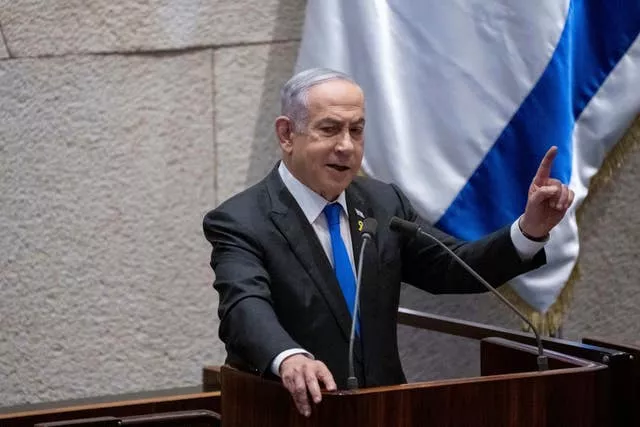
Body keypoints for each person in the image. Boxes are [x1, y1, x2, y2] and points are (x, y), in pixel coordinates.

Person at [203, 68, 574, 417]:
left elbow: (454, 266)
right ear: (287, 134)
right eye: (330, 129)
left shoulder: (382, 203)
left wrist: (530, 229)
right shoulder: (243, 220)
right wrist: (288, 357)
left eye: (357, 130)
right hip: (294, 413)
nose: (346, 146)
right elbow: (244, 307)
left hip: (387, 411)